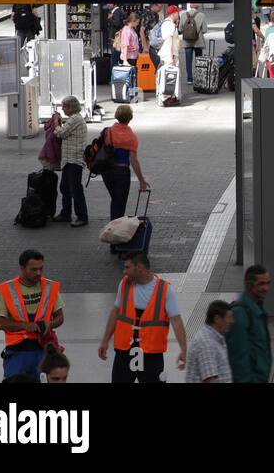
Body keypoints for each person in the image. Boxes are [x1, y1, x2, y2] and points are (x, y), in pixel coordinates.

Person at [98, 252, 186, 383]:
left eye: (127, 267)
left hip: (151, 354)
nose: (124, 271)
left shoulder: (165, 290)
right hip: (125, 352)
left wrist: (184, 349)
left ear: (139, 267)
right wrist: (105, 340)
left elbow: (176, 320)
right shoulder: (124, 284)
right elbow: (116, 312)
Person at [0, 250, 64, 380]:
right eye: (33, 269)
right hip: (17, 352)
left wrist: (51, 323)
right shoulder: (7, 289)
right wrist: (24, 325)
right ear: (22, 268)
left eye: (41, 269)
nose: (38, 273)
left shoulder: (50, 287)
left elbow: (60, 317)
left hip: (43, 351)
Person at [102, 104, 149, 222]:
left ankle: (113, 227)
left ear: (116, 115)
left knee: (115, 200)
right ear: (130, 118)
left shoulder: (108, 132)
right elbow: (134, 161)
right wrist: (141, 180)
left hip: (106, 171)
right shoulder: (131, 137)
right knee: (120, 203)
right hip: (121, 173)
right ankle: (115, 233)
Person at [226, 265, 273, 383]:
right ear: (248, 285)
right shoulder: (239, 314)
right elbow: (238, 358)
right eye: (261, 284)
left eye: (268, 283)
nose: (266, 288)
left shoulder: (256, 309)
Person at [51, 96, 88, 227]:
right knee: (65, 187)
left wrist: (56, 123)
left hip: (74, 159)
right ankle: (65, 214)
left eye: (64, 106)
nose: (62, 109)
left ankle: (82, 216)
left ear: (71, 107)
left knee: (75, 189)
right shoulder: (73, 119)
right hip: (68, 159)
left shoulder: (75, 119)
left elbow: (61, 133)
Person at [186, 300, 234, 383]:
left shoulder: (215, 339)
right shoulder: (206, 344)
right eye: (229, 317)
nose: (232, 321)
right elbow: (210, 380)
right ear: (217, 319)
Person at [179, 6, 208, 85]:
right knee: (199, 61)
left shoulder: (183, 15)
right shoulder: (202, 15)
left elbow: (180, 29)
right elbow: (205, 30)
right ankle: (199, 78)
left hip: (187, 42)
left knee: (188, 61)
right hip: (198, 42)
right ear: (197, 6)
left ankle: (189, 79)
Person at [118, 12, 141, 88]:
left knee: (132, 77)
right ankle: (129, 94)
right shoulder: (127, 30)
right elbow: (125, 45)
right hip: (128, 58)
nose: (137, 24)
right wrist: (125, 60)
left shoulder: (131, 29)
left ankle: (131, 93)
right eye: (137, 22)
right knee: (129, 78)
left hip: (132, 57)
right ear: (133, 21)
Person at [141, 3, 164, 69]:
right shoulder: (146, 13)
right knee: (150, 62)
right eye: (159, 7)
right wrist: (145, 46)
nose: (160, 9)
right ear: (154, 5)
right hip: (146, 41)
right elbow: (141, 30)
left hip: (153, 41)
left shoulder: (156, 15)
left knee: (156, 61)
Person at [105, 3, 128, 67]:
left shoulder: (116, 12)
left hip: (115, 38)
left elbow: (117, 23)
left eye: (110, 3)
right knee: (119, 56)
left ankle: (113, 74)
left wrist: (110, 19)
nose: (108, 4)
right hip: (119, 37)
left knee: (114, 57)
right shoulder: (120, 11)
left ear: (114, 4)